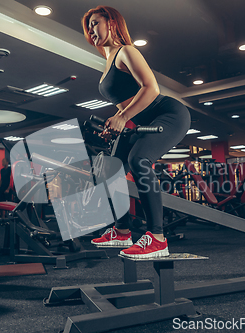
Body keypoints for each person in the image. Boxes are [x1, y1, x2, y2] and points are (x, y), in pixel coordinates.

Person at [82, 6, 191, 258]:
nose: (91, 30)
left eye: (95, 23)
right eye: (88, 26)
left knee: (138, 160)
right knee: (110, 169)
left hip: (169, 114)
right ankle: (122, 231)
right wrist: (118, 123)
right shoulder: (108, 61)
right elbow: (126, 103)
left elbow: (150, 88)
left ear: (111, 23)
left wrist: (122, 116)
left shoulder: (126, 51)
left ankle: (157, 238)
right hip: (140, 120)